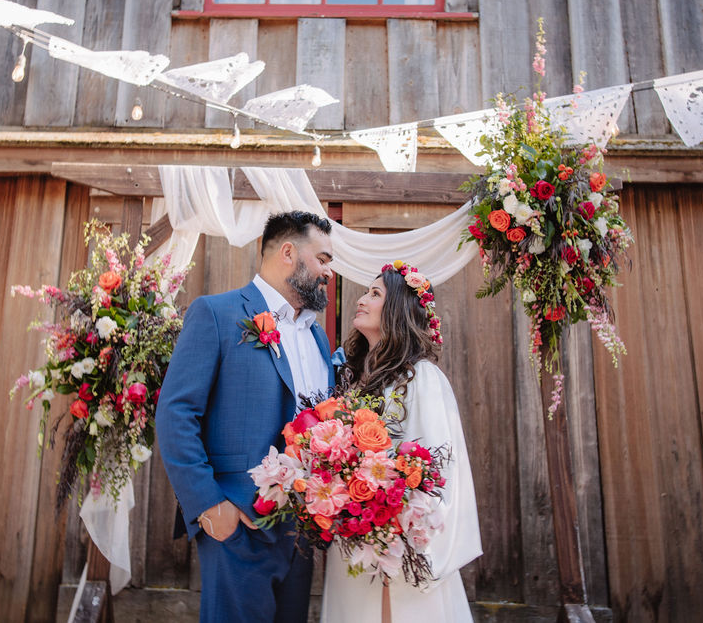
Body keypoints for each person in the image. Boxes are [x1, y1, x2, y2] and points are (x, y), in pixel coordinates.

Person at [157, 210, 337, 623]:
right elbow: (176, 412)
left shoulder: (317, 335)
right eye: (322, 259)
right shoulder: (216, 314)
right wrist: (209, 505)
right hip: (237, 525)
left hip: (302, 531)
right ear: (288, 252)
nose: (328, 271)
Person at [321, 261, 482, 623]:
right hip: (354, 538)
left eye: (375, 294)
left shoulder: (422, 378)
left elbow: (439, 471)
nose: (361, 300)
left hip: (399, 542)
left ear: (396, 311)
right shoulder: (353, 381)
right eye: (366, 292)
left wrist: (397, 533)